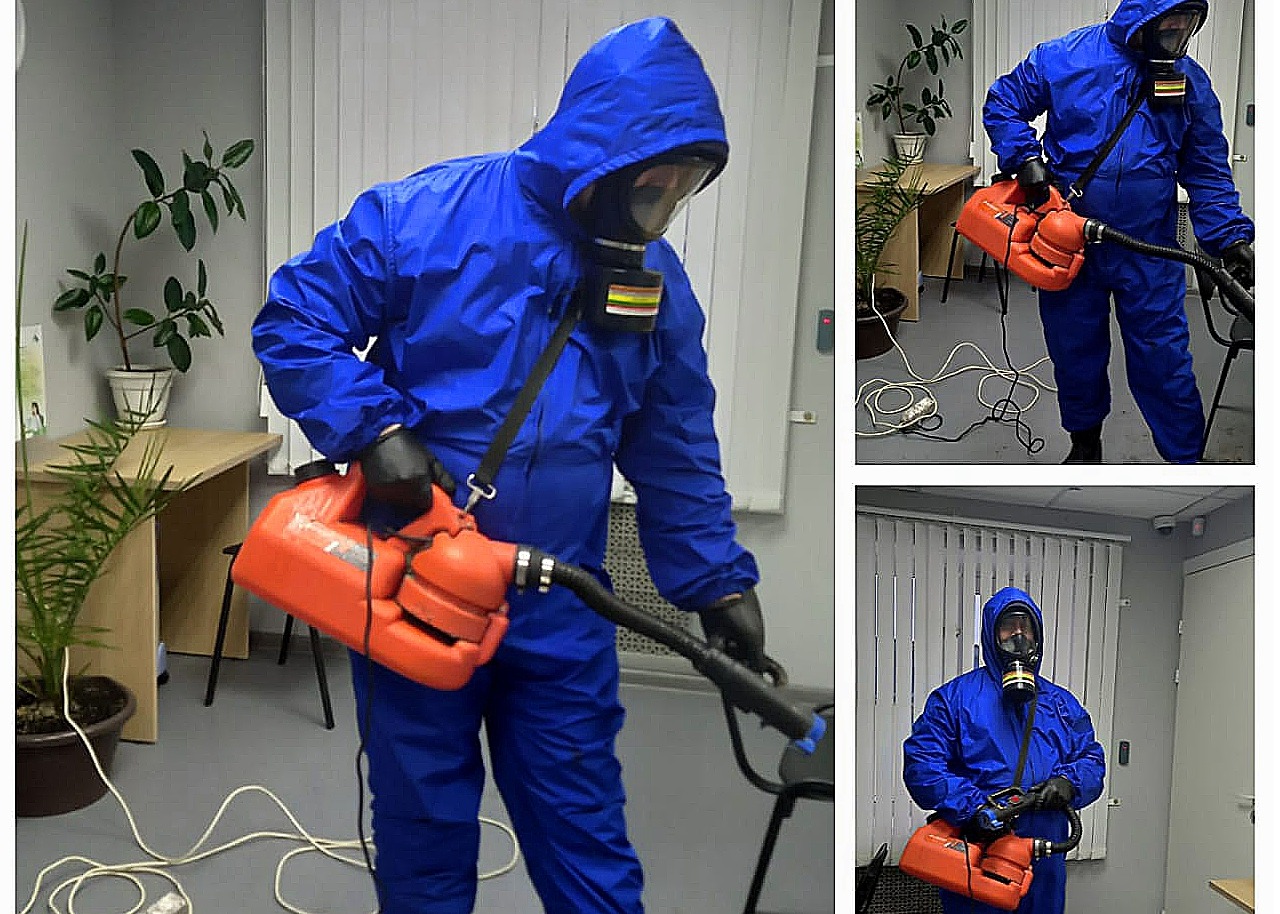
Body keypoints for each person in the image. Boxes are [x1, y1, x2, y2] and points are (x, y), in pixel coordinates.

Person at [252, 17, 772, 914]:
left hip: (560, 605)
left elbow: (676, 444)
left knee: (585, 833)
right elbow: (296, 318)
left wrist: (718, 586)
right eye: (653, 183)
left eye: (683, 188)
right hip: (419, 586)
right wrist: (373, 431)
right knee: (423, 828)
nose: (663, 207)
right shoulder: (426, 219)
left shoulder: (658, 288)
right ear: (600, 155)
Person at [983, 0, 1253, 464]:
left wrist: (1230, 238)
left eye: (1187, 26)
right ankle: (1084, 443)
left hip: (1149, 247)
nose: (1178, 35)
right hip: (1067, 240)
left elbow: (1207, 168)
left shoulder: (1189, 82)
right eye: (1169, 25)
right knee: (1074, 351)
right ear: (1143, 18)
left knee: (1165, 359)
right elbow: (1004, 103)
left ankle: (1184, 459)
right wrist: (1024, 159)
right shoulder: (1064, 58)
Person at [903, 587, 1106, 914]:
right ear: (991, 634)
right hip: (980, 848)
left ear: (1038, 636)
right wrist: (974, 809)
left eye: (1026, 627)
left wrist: (1069, 783)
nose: (1018, 636)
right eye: (1008, 626)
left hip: (1044, 851)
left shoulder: (1062, 705)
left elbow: (1091, 759)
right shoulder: (954, 700)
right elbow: (923, 766)